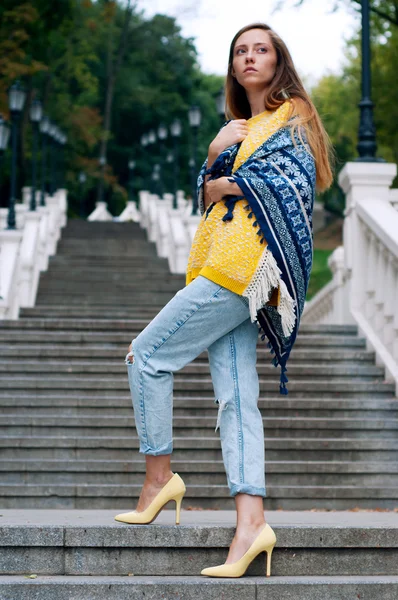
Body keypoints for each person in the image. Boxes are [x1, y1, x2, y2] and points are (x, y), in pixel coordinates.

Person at [114, 22, 334, 579]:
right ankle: (251, 524)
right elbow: (210, 194)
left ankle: (159, 480)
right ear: (233, 66)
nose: (250, 57)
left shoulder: (295, 116)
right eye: (241, 51)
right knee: (237, 400)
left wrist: (224, 182)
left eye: (261, 49)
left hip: (245, 269)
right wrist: (215, 156)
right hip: (222, 265)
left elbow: (294, 185)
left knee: (148, 355)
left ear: (278, 59)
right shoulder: (238, 126)